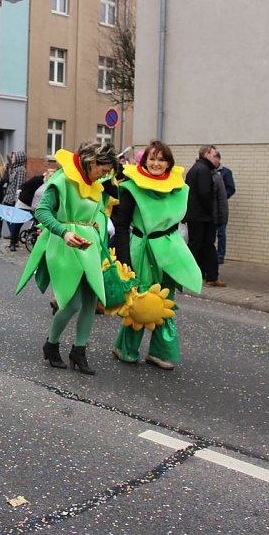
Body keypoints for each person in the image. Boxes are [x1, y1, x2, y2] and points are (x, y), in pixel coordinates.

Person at [16, 142, 117, 375]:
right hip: (65, 245)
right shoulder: (62, 180)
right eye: (103, 170)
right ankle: (51, 344)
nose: (105, 175)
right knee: (72, 303)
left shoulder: (96, 184)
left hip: (89, 247)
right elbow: (42, 212)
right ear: (92, 163)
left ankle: (78, 352)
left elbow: (98, 215)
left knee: (92, 301)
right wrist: (65, 232)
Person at [110, 139, 202, 369]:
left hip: (168, 249)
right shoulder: (131, 187)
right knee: (140, 301)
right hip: (140, 248)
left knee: (165, 300)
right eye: (152, 158)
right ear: (145, 160)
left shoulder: (177, 188)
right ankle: (126, 348)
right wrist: (124, 260)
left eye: (162, 159)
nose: (156, 163)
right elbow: (121, 225)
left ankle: (161, 351)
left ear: (169, 163)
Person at [184, 145, 226, 287]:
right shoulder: (203, 170)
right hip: (202, 217)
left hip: (195, 216)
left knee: (197, 245)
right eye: (214, 155)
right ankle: (210, 277)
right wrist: (211, 212)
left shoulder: (196, 169)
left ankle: (195, 275)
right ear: (206, 154)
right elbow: (205, 194)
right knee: (205, 246)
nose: (217, 158)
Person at [2, 151, 27, 251]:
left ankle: (14, 238)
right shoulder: (14, 168)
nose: (12, 158)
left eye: (13, 157)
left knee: (12, 219)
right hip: (8, 196)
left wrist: (16, 200)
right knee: (7, 217)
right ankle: (14, 237)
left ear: (19, 158)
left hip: (12, 198)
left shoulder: (20, 170)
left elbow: (19, 186)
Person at [215, 151, 235, 264]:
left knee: (221, 232)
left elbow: (231, 188)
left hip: (221, 207)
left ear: (219, 159)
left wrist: (222, 197)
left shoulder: (226, 172)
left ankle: (220, 255)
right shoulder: (208, 171)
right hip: (211, 207)